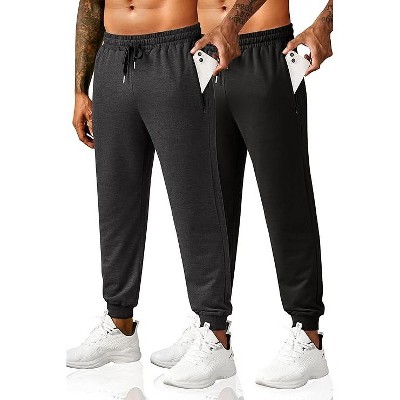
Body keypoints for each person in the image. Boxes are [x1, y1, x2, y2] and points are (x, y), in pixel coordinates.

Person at [67, 0, 270, 380]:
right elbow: (90, 4)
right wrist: (80, 88)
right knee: (116, 199)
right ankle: (119, 323)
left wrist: (230, 24)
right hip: (113, 58)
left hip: (176, 52)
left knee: (195, 197)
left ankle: (215, 333)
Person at [153, 0, 334, 390]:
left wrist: (326, 20)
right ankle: (211, 328)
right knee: (209, 202)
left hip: (266, 52)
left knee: (285, 198)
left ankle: (308, 336)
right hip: (204, 57)